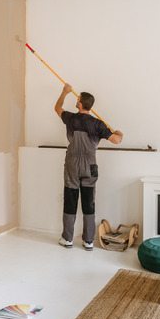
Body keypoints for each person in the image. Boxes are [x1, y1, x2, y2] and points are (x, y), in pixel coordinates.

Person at [54, 83, 123, 250]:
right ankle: (88, 241)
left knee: (70, 200)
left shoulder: (70, 118)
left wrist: (64, 92)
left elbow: (57, 107)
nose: (76, 100)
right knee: (88, 202)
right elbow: (116, 140)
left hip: (72, 164)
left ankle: (67, 239)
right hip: (90, 166)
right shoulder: (97, 124)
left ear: (80, 104)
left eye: (77, 99)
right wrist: (119, 133)